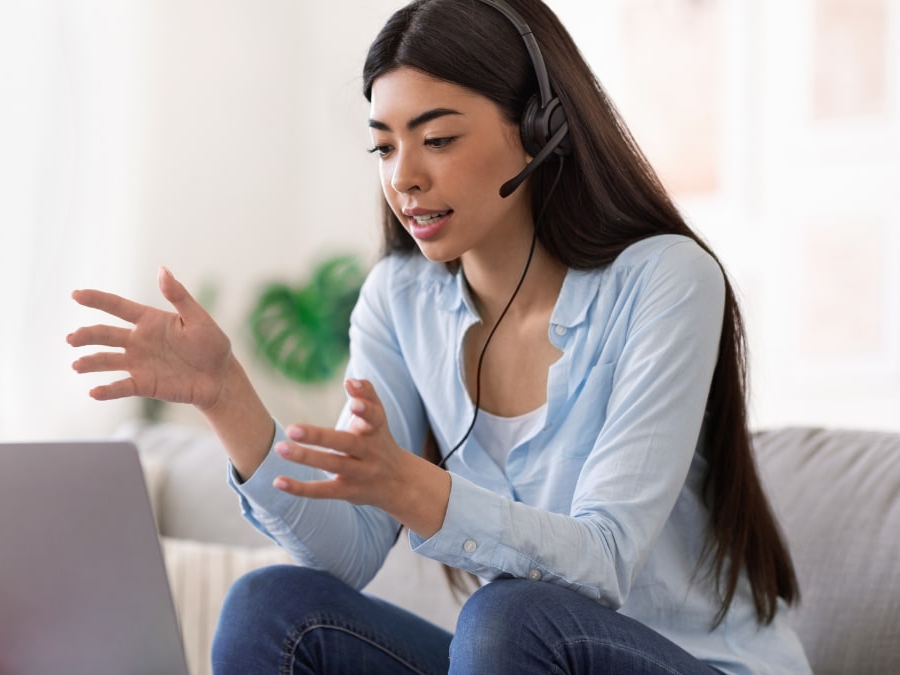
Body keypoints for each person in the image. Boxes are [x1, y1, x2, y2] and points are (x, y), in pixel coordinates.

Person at [67, 0, 811, 672]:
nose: (405, 178)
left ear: (539, 131)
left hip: (693, 663)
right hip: (520, 653)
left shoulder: (665, 279)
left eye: (439, 138)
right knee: (270, 607)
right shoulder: (399, 299)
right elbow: (352, 552)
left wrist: (417, 487)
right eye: (385, 147)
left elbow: (605, 562)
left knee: (504, 615)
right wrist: (225, 395)